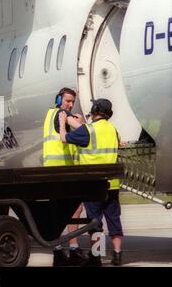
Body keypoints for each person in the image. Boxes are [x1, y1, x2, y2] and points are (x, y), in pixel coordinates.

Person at [59, 99, 123, 266]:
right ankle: (117, 255)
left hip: (94, 186)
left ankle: (97, 257)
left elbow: (64, 139)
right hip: (112, 184)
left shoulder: (89, 130)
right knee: (114, 220)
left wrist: (62, 122)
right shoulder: (113, 130)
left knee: (95, 223)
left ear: (95, 109)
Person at [43, 87, 88, 266]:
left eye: (72, 101)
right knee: (73, 209)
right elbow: (85, 132)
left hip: (54, 170)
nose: (70, 104)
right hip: (61, 171)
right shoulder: (62, 114)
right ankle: (71, 249)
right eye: (67, 100)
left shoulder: (50, 114)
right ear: (59, 99)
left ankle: (60, 250)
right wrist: (83, 122)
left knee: (64, 212)